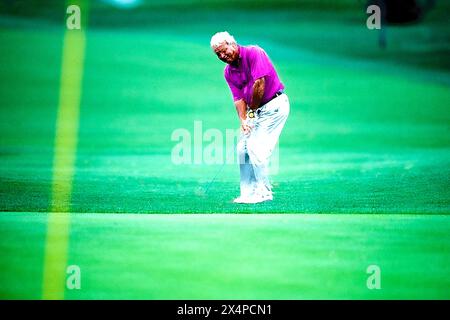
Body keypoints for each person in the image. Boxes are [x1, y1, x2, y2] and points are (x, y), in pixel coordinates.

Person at [210, 31, 290, 204]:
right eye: (218, 54)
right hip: (258, 111)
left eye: (224, 51)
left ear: (232, 43)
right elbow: (238, 99)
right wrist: (244, 121)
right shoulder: (228, 72)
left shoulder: (254, 53)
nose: (223, 56)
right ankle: (248, 193)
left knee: (256, 148)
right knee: (242, 149)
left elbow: (259, 84)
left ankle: (264, 193)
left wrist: (252, 113)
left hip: (275, 106)